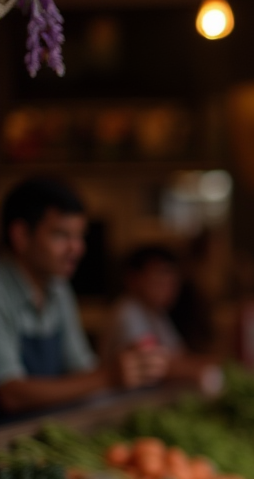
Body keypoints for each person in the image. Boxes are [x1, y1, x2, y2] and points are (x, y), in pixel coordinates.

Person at [0, 177, 168, 416]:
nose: (77, 249)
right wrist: (108, 376)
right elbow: (10, 393)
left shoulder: (58, 289)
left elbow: (80, 370)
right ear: (21, 235)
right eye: (61, 235)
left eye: (79, 236)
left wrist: (125, 364)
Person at [102, 246, 223, 395]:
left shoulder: (157, 314)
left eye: (172, 277)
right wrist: (217, 364)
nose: (169, 284)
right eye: (160, 275)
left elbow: (180, 356)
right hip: (122, 402)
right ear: (132, 279)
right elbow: (157, 366)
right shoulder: (127, 311)